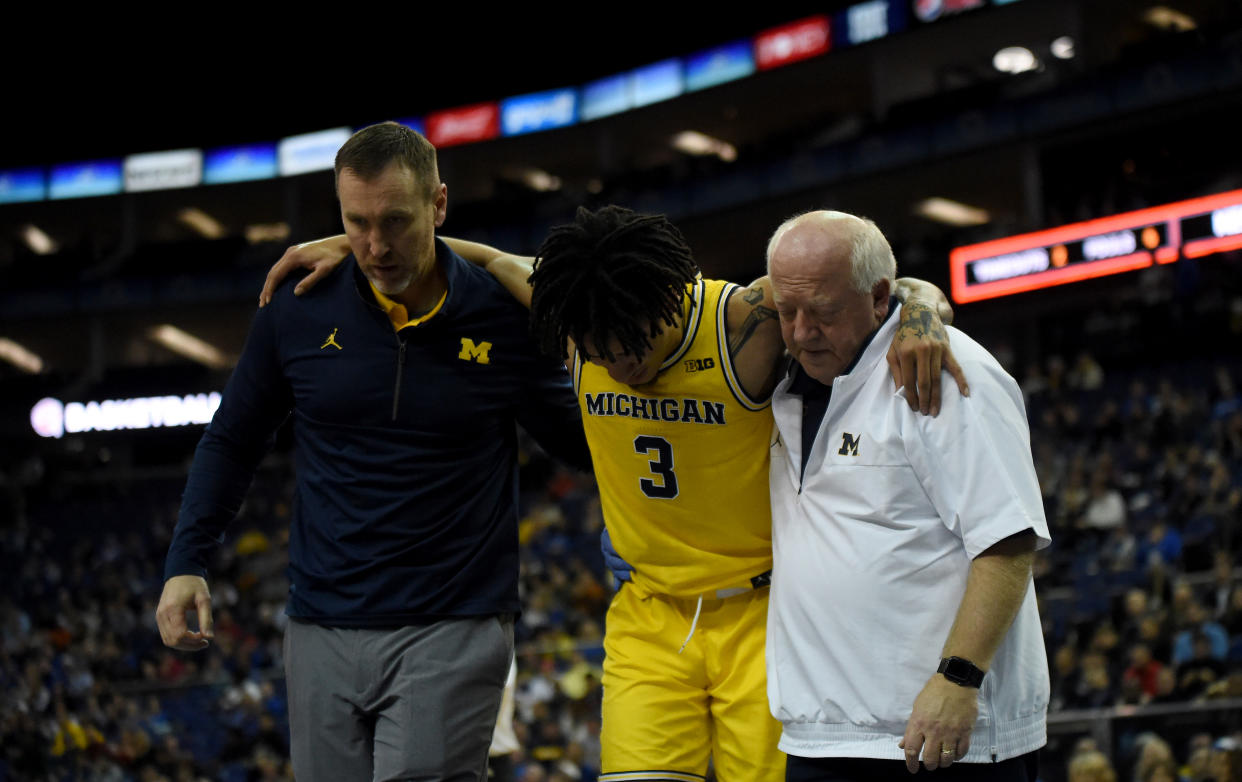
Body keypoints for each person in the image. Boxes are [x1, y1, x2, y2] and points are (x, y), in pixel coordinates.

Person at [264, 204, 966, 782]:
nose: (617, 366)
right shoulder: (578, 306)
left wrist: (922, 314)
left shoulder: (740, 324)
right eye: (597, 355)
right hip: (648, 621)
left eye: (631, 349)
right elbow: (483, 258)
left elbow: (873, 286)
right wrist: (350, 245)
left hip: (766, 617)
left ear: (668, 301)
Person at [155, 122, 590, 782]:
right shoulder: (297, 306)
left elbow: (579, 444)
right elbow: (234, 438)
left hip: (452, 624)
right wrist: (186, 558)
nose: (375, 245)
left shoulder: (503, 316)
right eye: (355, 223)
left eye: (395, 220)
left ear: (439, 205)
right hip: (318, 627)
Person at [765, 211, 1050, 781]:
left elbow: (1007, 539)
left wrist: (958, 678)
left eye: (821, 312)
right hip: (821, 740)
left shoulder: (945, 370)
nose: (800, 332)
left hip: (940, 738)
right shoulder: (778, 376)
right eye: (786, 312)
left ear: (876, 299)